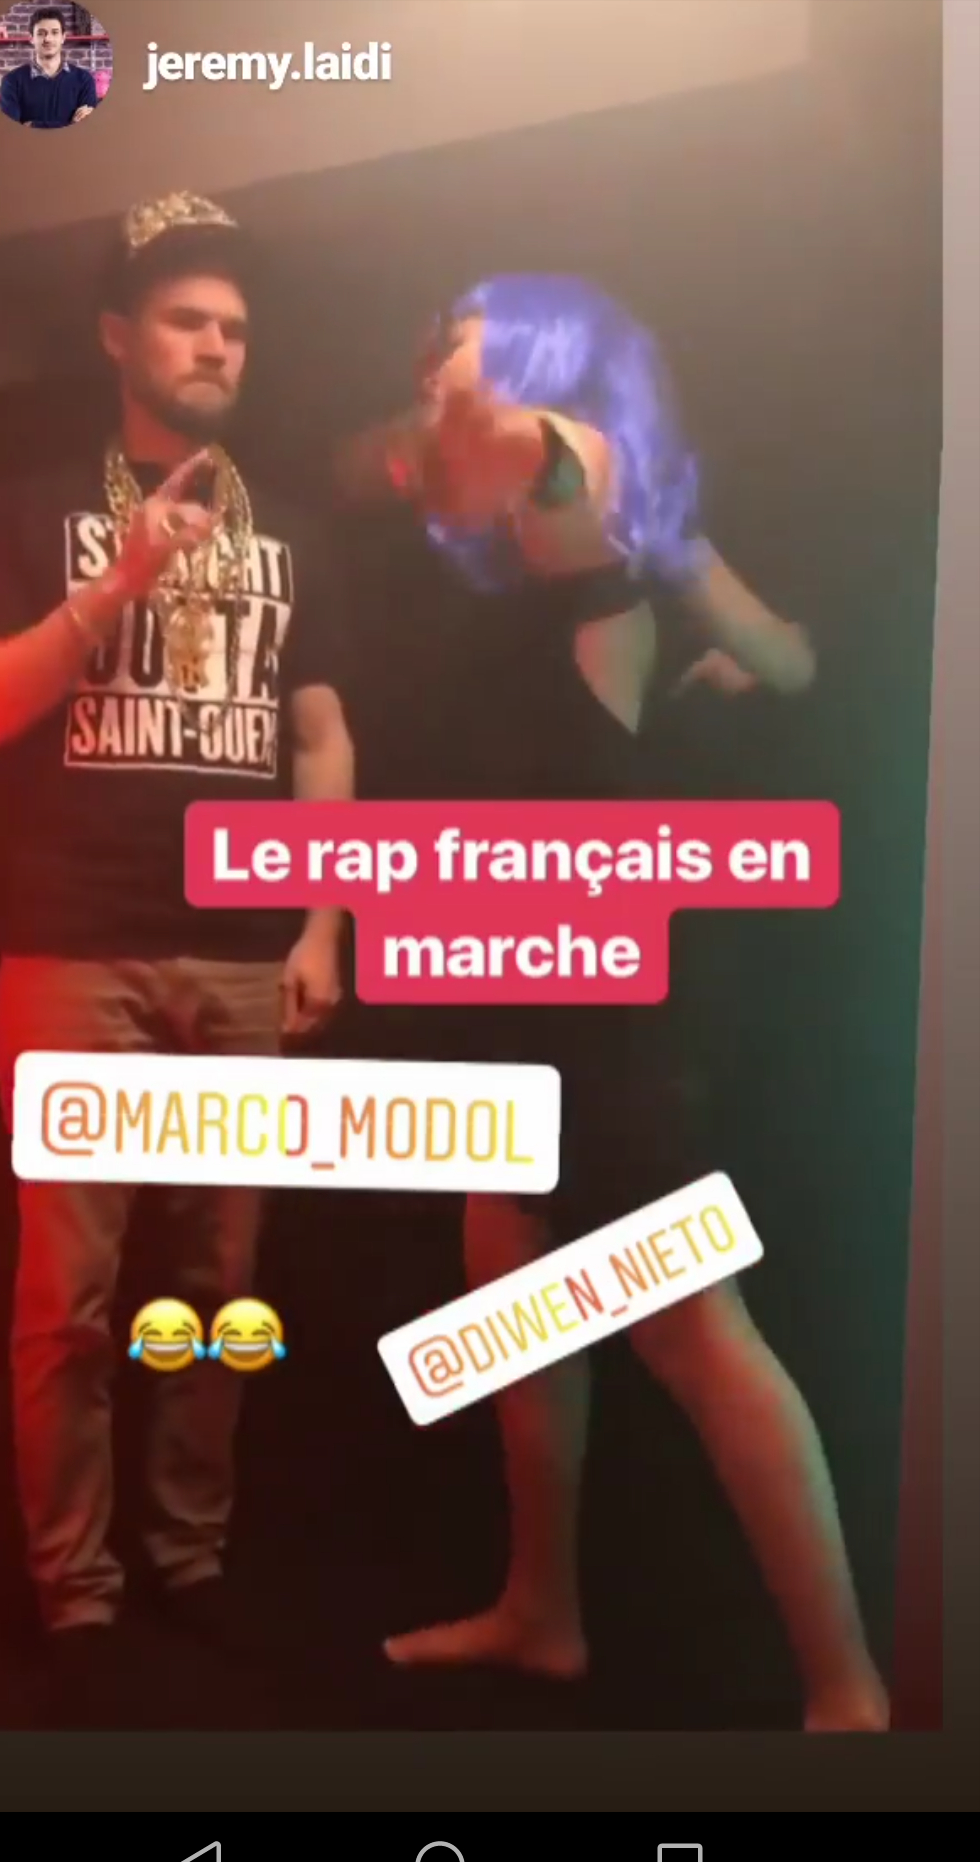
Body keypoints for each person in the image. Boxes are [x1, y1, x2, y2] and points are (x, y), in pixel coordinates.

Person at [336, 274, 888, 1732]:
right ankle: (544, 1614)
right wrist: (729, 648)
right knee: (516, 1304)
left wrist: (435, 423)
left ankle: (846, 1688)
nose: (437, 381)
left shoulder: (571, 472)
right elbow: (791, 658)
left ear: (533, 364)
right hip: (520, 994)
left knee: (693, 1330)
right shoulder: (578, 544)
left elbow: (522, 446)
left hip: (599, 1020)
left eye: (459, 355)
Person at [0, 191, 353, 1718]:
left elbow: (320, 732)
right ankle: (78, 1594)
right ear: (119, 337)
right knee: (69, 1297)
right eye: (187, 319)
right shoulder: (25, 507)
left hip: (242, 957)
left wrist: (322, 919)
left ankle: (189, 1558)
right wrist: (116, 580)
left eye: (236, 327)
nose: (217, 345)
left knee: (219, 1281)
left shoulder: (293, 531)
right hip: (74, 947)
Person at [0, 7, 97, 130]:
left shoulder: (84, 80)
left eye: (54, 32)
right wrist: (71, 124)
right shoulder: (11, 81)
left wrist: (33, 125)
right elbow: (11, 132)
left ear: (63, 37)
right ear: (31, 38)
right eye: (41, 33)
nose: (48, 39)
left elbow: (88, 130)